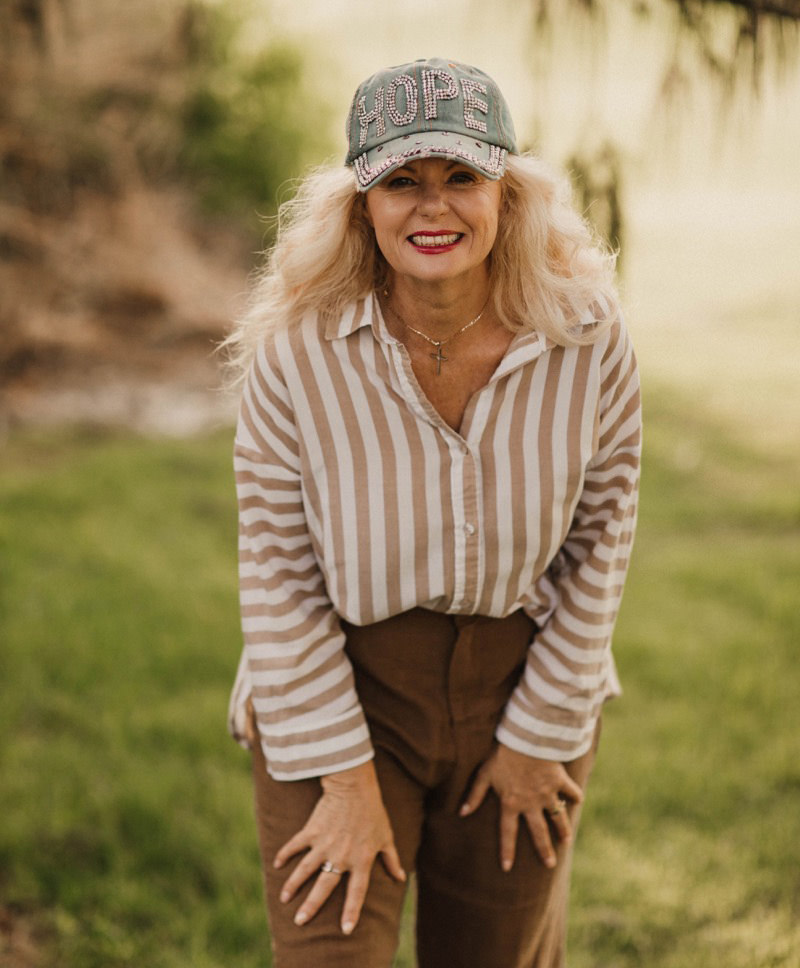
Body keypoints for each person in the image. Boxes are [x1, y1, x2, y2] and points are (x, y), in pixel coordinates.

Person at [224, 57, 641, 968]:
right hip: (339, 685)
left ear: (508, 193)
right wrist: (346, 780)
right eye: (401, 182)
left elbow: (601, 543)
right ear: (360, 205)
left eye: (461, 176)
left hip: (522, 683)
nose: (433, 207)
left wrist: (540, 738)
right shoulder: (297, 352)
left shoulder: (587, 336)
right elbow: (278, 572)